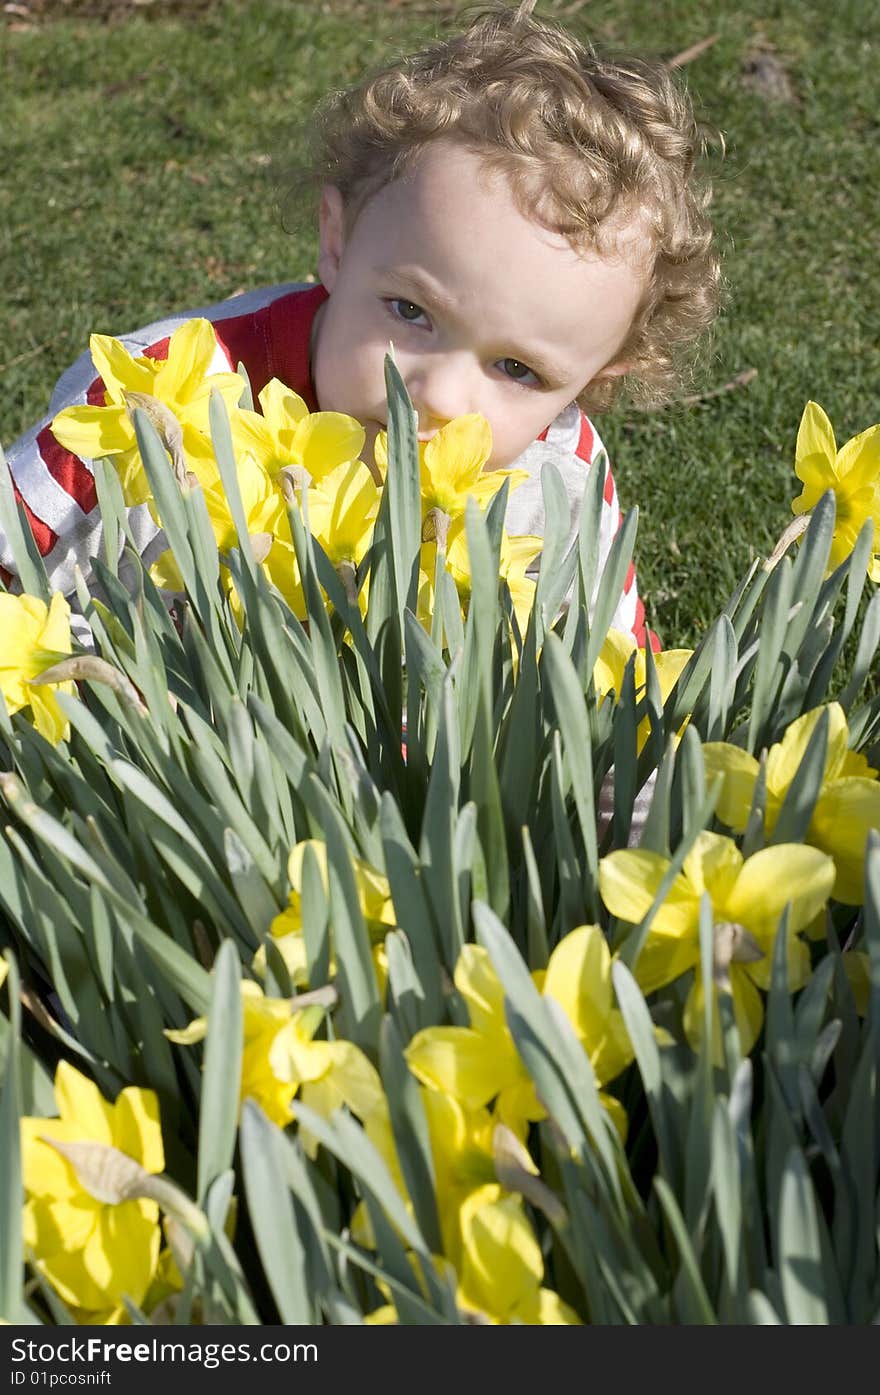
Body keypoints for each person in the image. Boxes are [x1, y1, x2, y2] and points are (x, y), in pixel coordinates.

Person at [1, 1, 719, 649]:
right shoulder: (161, 392)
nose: (437, 396)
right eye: (412, 312)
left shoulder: (564, 479)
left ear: (594, 380)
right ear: (337, 242)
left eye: (517, 370)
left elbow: (618, 677)